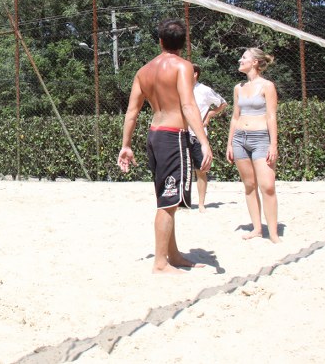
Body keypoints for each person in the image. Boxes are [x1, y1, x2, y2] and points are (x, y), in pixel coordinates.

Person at [117, 19, 213, 274]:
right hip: (173, 137)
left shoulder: (144, 71)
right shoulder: (183, 66)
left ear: (160, 41)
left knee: (166, 198)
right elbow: (188, 105)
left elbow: (132, 112)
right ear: (184, 43)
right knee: (168, 203)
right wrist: (204, 142)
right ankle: (160, 263)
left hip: (155, 135)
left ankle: (173, 254)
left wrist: (126, 145)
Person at [226, 48, 281, 243]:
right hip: (240, 139)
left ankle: (273, 233)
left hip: (261, 139)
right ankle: (257, 229)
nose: (239, 60)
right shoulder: (238, 88)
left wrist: (273, 144)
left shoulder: (267, 86)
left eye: (244, 58)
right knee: (249, 186)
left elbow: (271, 116)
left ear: (255, 62)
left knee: (268, 187)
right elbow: (235, 117)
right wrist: (229, 144)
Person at [190, 64, 227, 212]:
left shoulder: (204, 90)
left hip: (198, 135)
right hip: (181, 132)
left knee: (201, 169)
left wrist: (210, 114)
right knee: (181, 170)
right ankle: (182, 202)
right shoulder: (180, 88)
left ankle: (201, 204)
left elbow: (223, 103)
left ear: (195, 74)